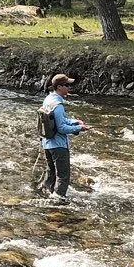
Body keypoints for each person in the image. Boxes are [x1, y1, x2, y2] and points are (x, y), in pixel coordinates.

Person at [38, 73, 91, 202]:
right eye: (67, 85)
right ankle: (58, 201)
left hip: (47, 144)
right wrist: (79, 128)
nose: (69, 88)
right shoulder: (58, 105)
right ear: (59, 87)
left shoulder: (49, 100)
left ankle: (45, 193)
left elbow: (57, 121)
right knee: (63, 176)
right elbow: (61, 128)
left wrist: (74, 122)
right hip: (58, 146)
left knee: (51, 172)